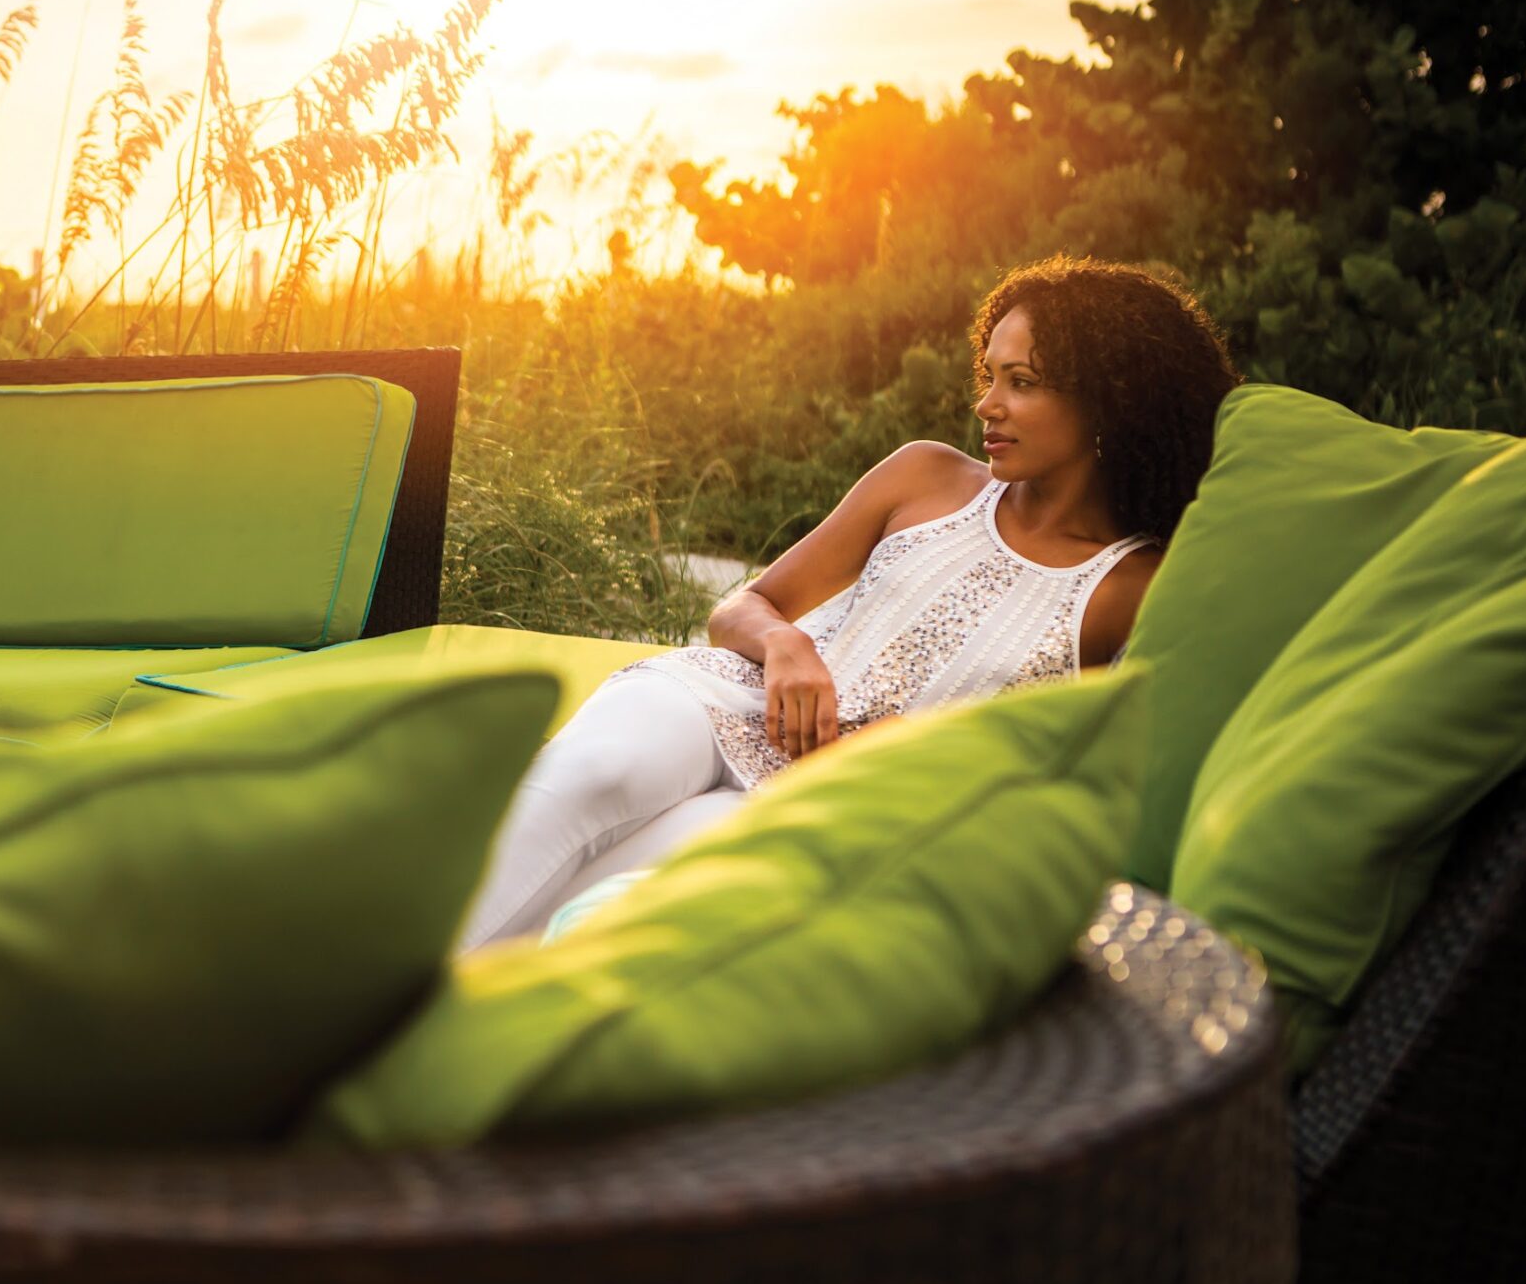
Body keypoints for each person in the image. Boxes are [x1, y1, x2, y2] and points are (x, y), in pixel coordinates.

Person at [459, 256, 1240, 951]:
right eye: (990, 374)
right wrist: (786, 645)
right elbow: (746, 605)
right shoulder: (927, 476)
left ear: (1110, 401)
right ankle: (353, 1001)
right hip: (721, 698)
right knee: (598, 772)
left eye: (1023, 382)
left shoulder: (1129, 588)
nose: (987, 404)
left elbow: (1077, 779)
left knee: (602, 909)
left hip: (828, 804)